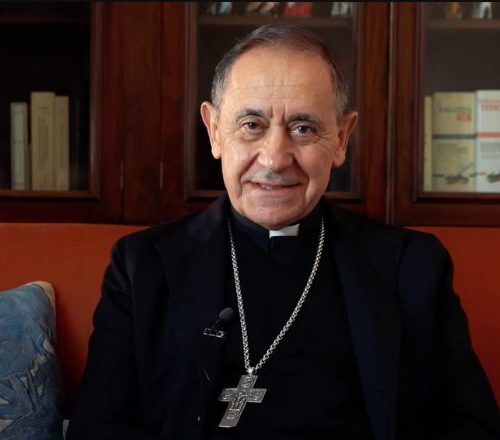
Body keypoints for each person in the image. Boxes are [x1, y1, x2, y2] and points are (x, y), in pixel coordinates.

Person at [67, 24, 500, 440]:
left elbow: (474, 427)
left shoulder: (413, 266)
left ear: (341, 138)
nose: (275, 158)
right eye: (251, 125)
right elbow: (99, 428)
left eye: (303, 128)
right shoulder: (142, 267)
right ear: (214, 131)